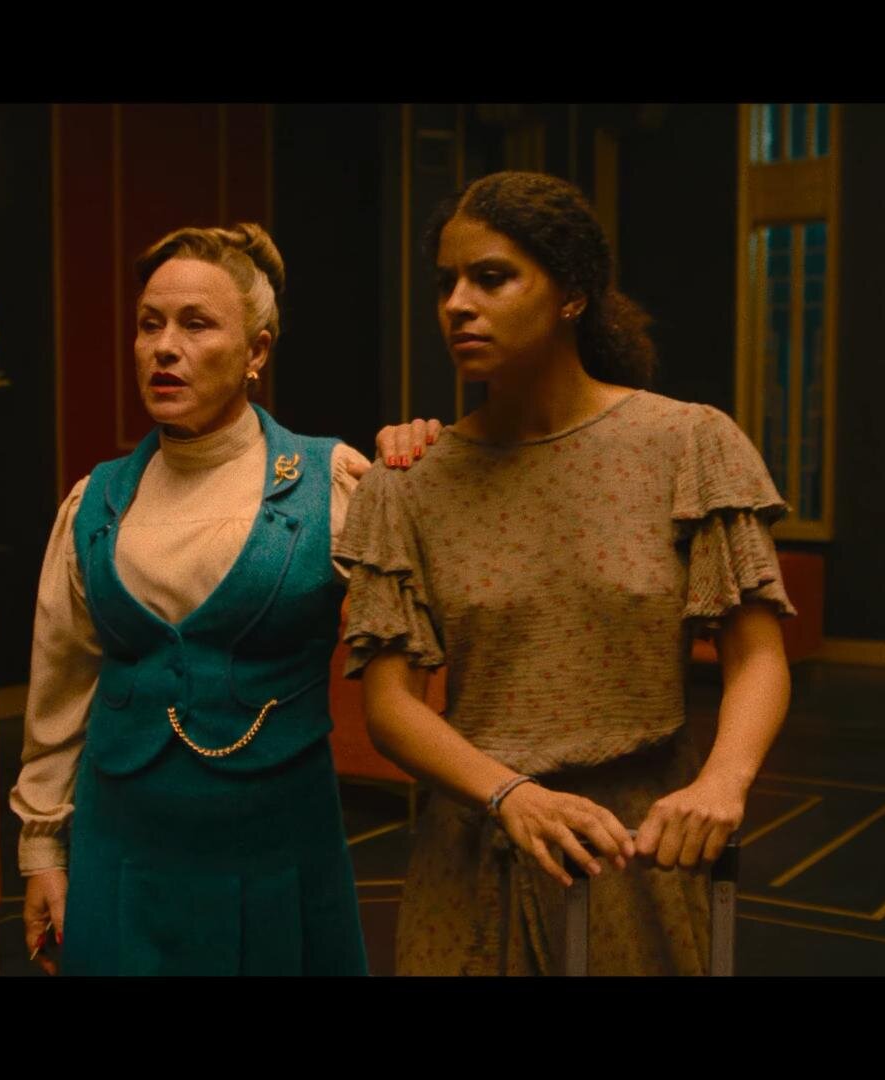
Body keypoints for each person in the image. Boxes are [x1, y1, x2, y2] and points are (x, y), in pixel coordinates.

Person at [336, 171, 796, 975]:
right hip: (477, 849)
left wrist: (724, 781)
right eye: (446, 283)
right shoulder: (410, 480)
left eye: (491, 277)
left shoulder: (687, 444)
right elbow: (390, 706)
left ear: (573, 294)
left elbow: (756, 654)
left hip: (637, 849)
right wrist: (509, 794)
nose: (457, 304)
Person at [9, 223, 376, 975]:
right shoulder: (95, 503)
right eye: (150, 325)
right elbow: (60, 685)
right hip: (121, 854)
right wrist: (42, 850)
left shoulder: (329, 484)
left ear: (257, 352)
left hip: (276, 860)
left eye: (196, 324)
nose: (164, 348)